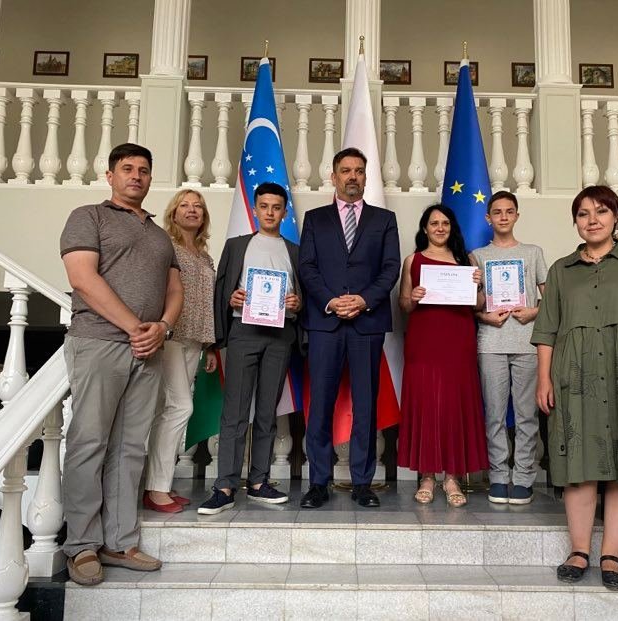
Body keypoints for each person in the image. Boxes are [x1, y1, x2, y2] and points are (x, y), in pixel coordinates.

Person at [531, 185, 618, 591]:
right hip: (573, 377)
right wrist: (544, 378)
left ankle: (611, 554)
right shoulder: (561, 270)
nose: (592, 220)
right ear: (575, 222)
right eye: (583, 213)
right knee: (578, 465)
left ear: (615, 217)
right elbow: (547, 329)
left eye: (601, 211)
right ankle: (579, 550)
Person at [59, 143, 183, 586]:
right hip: (99, 342)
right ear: (110, 175)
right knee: (89, 442)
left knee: (131, 448)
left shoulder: (160, 235)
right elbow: (81, 277)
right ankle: (81, 545)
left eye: (144, 170)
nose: (136, 175)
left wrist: (162, 328)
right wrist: (135, 327)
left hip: (148, 350)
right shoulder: (88, 217)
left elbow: (175, 291)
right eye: (127, 168)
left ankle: (120, 542)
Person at [299, 147, 401, 509]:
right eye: (346, 170)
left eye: (359, 170)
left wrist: (363, 300)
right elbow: (307, 267)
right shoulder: (315, 218)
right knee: (321, 404)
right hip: (325, 322)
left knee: (365, 405)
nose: (352, 176)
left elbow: (391, 268)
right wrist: (330, 301)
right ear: (334, 176)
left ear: (365, 176)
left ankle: (362, 483)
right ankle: (318, 483)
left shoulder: (384, 219)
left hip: (367, 322)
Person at [198, 182, 302, 515]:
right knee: (235, 411)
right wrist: (231, 299)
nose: (270, 212)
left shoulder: (295, 251)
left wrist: (297, 303)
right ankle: (224, 486)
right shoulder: (237, 245)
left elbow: (303, 295)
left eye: (276, 207)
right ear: (255, 210)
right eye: (264, 206)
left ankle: (259, 482)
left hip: (281, 335)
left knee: (267, 411)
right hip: (244, 330)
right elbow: (222, 290)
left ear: (284, 212)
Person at [397, 204, 488, 508]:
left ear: (452, 228)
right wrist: (413, 297)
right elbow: (404, 305)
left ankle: (452, 478)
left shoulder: (467, 260)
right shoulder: (413, 260)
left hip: (458, 341)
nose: (439, 228)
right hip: (424, 341)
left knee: (453, 406)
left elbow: (478, 305)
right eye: (434, 223)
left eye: (445, 223)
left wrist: (478, 286)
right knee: (426, 404)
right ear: (425, 228)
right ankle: (426, 477)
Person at [471, 191, 547, 505]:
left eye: (509, 211)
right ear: (488, 218)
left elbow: (550, 299)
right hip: (491, 343)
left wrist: (534, 312)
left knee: (527, 414)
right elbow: (472, 305)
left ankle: (524, 477)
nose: (503, 216)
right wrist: (483, 314)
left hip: (526, 342)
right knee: (494, 415)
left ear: (517, 215)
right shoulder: (477, 255)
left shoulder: (533, 252)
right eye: (497, 212)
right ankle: (499, 476)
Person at [144, 189, 217, 514]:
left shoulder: (204, 256)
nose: (192, 210)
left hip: (196, 339)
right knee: (180, 408)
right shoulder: (166, 247)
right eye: (184, 205)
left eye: (197, 206)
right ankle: (156, 489)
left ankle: (160, 483)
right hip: (171, 336)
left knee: (169, 410)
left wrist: (210, 347)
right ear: (173, 213)